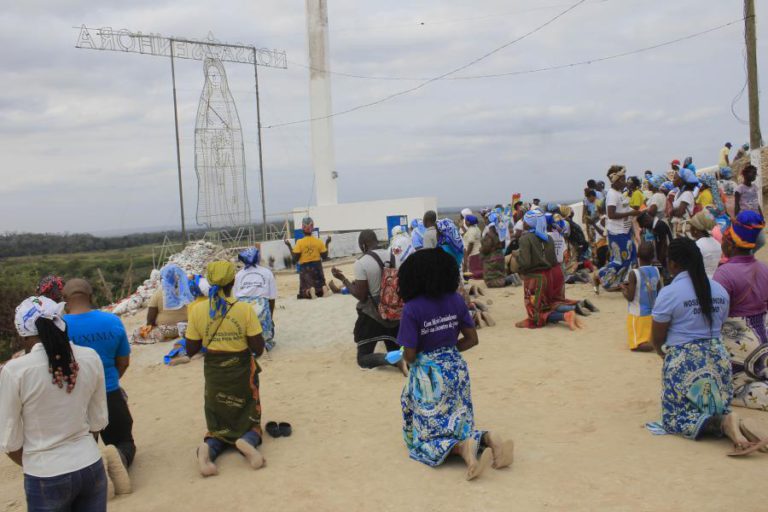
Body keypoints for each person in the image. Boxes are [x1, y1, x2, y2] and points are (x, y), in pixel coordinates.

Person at [396, 249, 513, 480]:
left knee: (425, 439)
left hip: (429, 376)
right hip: (456, 369)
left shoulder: (412, 309)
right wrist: (447, 350)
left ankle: (463, 449)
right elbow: (472, 339)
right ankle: (488, 438)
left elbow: (409, 356)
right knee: (458, 421)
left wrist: (428, 353)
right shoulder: (456, 300)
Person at [649, 238, 767, 455]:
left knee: (674, 419)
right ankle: (727, 420)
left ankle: (722, 423)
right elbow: (719, 325)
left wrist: (664, 356)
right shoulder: (719, 290)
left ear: (673, 264)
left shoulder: (669, 293)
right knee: (712, 404)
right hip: (720, 362)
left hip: (685, 361)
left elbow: (657, 338)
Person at [1, 297, 109, 510]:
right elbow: (98, 422)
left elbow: (9, 441)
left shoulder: (16, 371)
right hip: (90, 464)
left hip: (45, 474)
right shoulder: (89, 357)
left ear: (24, 335)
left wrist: (41, 463)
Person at [186, 261, 266, 477]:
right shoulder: (244, 309)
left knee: (217, 422)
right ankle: (247, 442)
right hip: (240, 372)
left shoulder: (197, 310)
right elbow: (258, 348)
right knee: (250, 416)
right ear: (233, 281)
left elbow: (191, 348)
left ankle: (207, 450)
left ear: (210, 281)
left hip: (215, 373)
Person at [63, 279, 134, 495]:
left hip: (75, 398)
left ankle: (93, 468)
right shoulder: (111, 321)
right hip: (110, 393)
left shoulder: (58, 327)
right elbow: (123, 361)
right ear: (91, 296)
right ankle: (118, 457)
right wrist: (109, 380)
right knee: (124, 441)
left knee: (83, 445)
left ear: (65, 300)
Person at [714, 211, 768, 412]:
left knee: (727, 388)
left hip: (739, 345)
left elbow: (716, 317)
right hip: (763, 340)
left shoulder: (724, 274)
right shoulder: (764, 269)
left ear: (730, 243)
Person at [331, 230, 406, 374]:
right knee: (394, 348)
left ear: (363, 245)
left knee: (363, 358)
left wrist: (343, 280)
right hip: (395, 314)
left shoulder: (361, 262)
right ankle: (400, 358)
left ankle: (390, 360)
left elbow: (361, 295)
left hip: (373, 317)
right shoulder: (395, 256)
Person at [515, 210, 580, 329]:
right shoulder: (548, 238)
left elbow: (526, 262)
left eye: (525, 220)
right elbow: (552, 260)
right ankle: (574, 308)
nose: (523, 222)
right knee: (547, 305)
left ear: (529, 223)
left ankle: (566, 316)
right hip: (548, 275)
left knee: (535, 313)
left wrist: (517, 261)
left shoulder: (525, 239)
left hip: (535, 278)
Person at [599, 165, 640, 290]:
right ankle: (598, 276)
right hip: (617, 232)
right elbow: (611, 214)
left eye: (625, 179)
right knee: (620, 261)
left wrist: (636, 211)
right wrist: (630, 213)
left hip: (625, 230)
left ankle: (621, 282)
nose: (625, 182)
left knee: (631, 256)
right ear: (615, 181)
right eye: (622, 180)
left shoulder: (619, 193)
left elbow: (624, 208)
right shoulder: (612, 195)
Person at [131, 263, 194, 344]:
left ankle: (165, 337)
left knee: (137, 332)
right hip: (187, 326)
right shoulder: (187, 290)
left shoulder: (159, 293)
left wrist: (150, 324)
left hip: (166, 329)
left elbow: (151, 316)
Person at [234, 247, 277, 351]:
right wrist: (270, 318)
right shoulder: (267, 272)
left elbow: (236, 296)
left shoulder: (239, 274)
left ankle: (245, 345)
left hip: (242, 306)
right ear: (257, 258)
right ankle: (265, 343)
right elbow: (272, 297)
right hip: (261, 305)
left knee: (245, 328)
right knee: (264, 326)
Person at [621, 242, 661, 352]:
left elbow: (630, 297)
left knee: (636, 345)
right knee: (648, 338)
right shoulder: (656, 271)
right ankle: (656, 342)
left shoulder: (634, 273)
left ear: (638, 255)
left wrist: (623, 289)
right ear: (653, 256)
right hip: (652, 315)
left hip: (637, 315)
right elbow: (659, 291)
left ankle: (655, 346)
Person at [284, 217, 332, 299]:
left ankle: (310, 291)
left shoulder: (300, 242)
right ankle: (324, 288)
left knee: (303, 292)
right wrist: (327, 243)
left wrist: (289, 246)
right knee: (320, 285)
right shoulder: (318, 241)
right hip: (317, 267)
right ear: (312, 228)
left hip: (306, 269)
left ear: (302, 228)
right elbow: (324, 256)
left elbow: (295, 259)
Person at [637, 212, 673, 277]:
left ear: (646, 221)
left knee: (667, 277)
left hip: (666, 257)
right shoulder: (657, 225)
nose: (647, 228)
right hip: (664, 258)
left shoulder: (659, 226)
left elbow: (663, 245)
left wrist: (660, 262)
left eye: (645, 226)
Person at [689, 212, 722, 278]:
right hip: (716, 279)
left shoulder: (696, 246)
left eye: (691, 226)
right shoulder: (717, 244)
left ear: (695, 229)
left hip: (701, 280)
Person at [670, 167, 698, 237]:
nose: (673, 180)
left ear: (682, 180)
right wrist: (674, 211)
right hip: (678, 226)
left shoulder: (687, 193)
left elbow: (680, 212)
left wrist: (672, 211)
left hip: (684, 228)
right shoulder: (678, 193)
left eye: (675, 178)